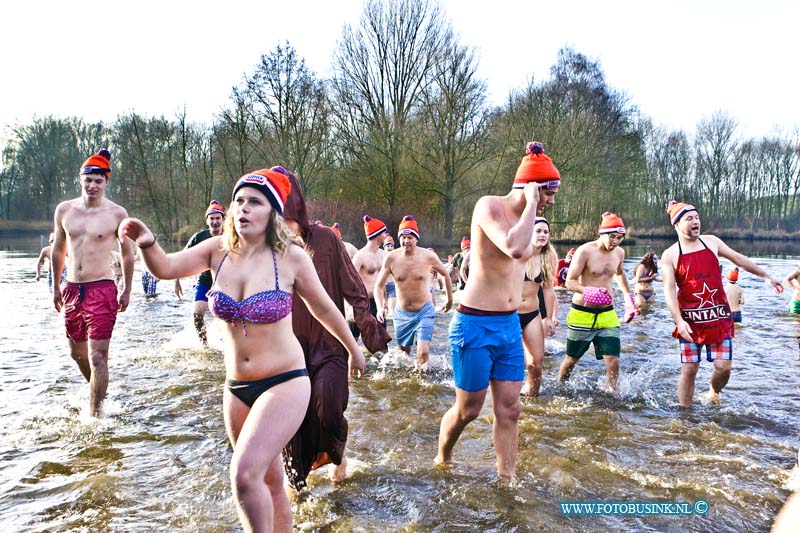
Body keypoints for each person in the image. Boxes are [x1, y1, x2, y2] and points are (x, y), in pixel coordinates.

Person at [119, 168, 363, 532]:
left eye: (255, 202)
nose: (243, 209)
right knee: (269, 481)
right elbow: (167, 268)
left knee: (244, 475)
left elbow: (325, 308)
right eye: (239, 201)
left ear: (273, 214)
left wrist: (353, 349)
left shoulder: (291, 258)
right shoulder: (217, 252)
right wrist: (148, 243)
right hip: (236, 389)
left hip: (285, 382)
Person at [436, 140, 559, 479]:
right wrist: (532, 202)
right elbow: (515, 247)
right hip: (474, 323)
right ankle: (443, 458)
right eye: (548, 192)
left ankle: (508, 480)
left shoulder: (529, 219)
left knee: (511, 408)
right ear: (531, 187)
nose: (551, 200)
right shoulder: (488, 207)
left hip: (508, 326)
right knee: (469, 410)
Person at [275, 166, 388, 489]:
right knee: (292, 428)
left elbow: (355, 288)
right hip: (288, 350)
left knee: (328, 408)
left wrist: (368, 333)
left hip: (329, 343)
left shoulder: (325, 240)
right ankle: (297, 491)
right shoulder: (266, 249)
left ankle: (338, 450)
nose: (283, 228)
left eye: (288, 220)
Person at [660, 200, 783, 408]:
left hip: (719, 318)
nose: (696, 221)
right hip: (690, 321)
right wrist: (678, 321)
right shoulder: (670, 255)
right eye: (689, 218)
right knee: (690, 368)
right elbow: (669, 291)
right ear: (677, 225)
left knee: (724, 367)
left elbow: (738, 258)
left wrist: (766, 276)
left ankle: (713, 392)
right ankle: (685, 414)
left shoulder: (712, 242)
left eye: (697, 217)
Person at [51, 149, 134, 417]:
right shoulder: (64, 210)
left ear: (106, 182)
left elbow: (127, 253)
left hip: (103, 289)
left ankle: (95, 418)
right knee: (77, 354)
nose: (93, 185)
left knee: (98, 356)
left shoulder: (117, 213)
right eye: (88, 180)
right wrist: (55, 286)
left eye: (98, 181)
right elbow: (58, 250)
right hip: (72, 289)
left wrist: (127, 289)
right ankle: (99, 391)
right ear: (80, 180)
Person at [558, 212, 638, 392]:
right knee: (572, 359)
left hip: (607, 314)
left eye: (620, 238)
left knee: (613, 360)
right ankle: (560, 388)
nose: (615, 241)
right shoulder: (585, 251)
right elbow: (569, 281)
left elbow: (618, 273)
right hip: (582, 313)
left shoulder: (619, 252)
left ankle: (613, 396)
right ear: (601, 233)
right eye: (612, 237)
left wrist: (628, 297)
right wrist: (588, 291)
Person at [374, 216, 453, 371]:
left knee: (423, 352)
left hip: (424, 310)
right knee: (403, 356)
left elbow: (445, 274)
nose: (406, 241)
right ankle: (409, 387)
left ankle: (423, 385)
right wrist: (379, 307)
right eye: (403, 237)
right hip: (402, 313)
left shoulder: (428, 256)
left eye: (410, 237)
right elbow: (378, 286)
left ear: (416, 239)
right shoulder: (391, 258)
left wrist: (449, 299)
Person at [174, 200, 226, 345]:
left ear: (223, 220)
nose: (215, 221)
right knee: (197, 314)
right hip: (205, 280)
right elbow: (181, 257)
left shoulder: (231, 236)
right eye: (212, 218)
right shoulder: (199, 237)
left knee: (227, 315)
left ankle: (228, 341)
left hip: (225, 281)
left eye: (218, 218)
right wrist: (177, 281)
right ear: (207, 221)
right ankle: (204, 344)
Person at [519, 217, 558, 397]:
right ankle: (507, 397)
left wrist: (548, 318)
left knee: (537, 362)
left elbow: (548, 290)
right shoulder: (518, 253)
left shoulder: (548, 256)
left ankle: (532, 397)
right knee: (518, 361)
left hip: (532, 314)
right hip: (510, 314)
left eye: (546, 232)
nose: (543, 235)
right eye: (538, 231)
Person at [349, 215, 388, 339]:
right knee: (353, 340)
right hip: (360, 302)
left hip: (377, 303)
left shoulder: (383, 255)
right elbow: (348, 282)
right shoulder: (360, 256)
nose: (386, 235)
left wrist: (385, 302)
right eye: (384, 232)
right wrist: (349, 307)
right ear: (377, 235)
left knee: (381, 341)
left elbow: (383, 282)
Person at [382, 235, 397, 317]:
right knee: (382, 312)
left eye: (392, 246)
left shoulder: (396, 259)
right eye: (388, 245)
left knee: (391, 312)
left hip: (392, 287)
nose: (390, 247)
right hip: (381, 287)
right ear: (384, 247)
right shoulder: (379, 257)